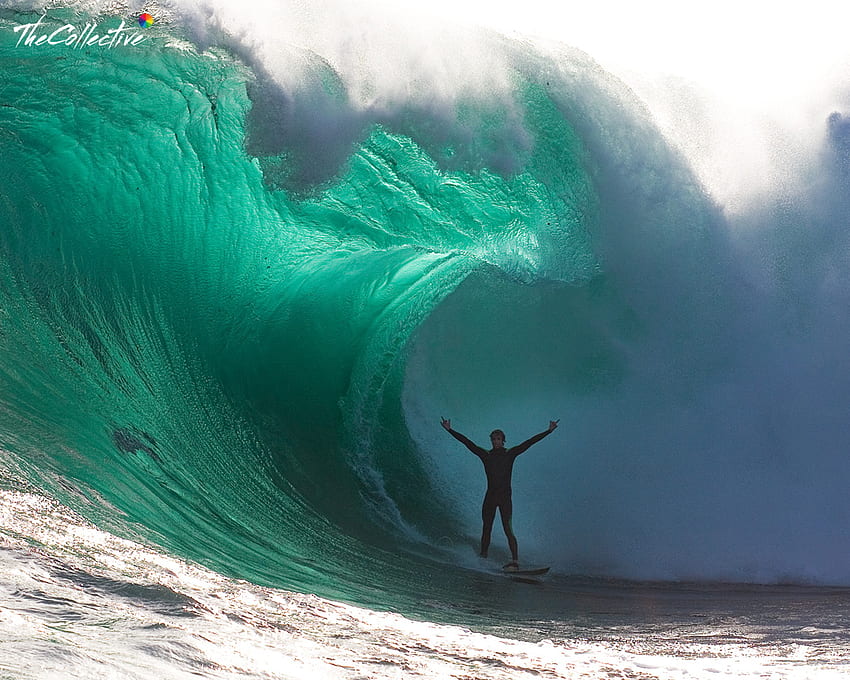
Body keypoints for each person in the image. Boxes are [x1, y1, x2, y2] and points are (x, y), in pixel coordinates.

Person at [441, 416, 559, 570]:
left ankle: (515, 561)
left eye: (498, 439)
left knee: (508, 529)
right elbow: (467, 443)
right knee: (486, 528)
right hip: (490, 498)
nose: (495, 441)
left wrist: (548, 431)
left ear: (503, 440)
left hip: (504, 499)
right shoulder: (486, 455)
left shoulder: (510, 453)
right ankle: (483, 557)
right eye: (493, 439)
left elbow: (529, 442)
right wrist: (450, 430)